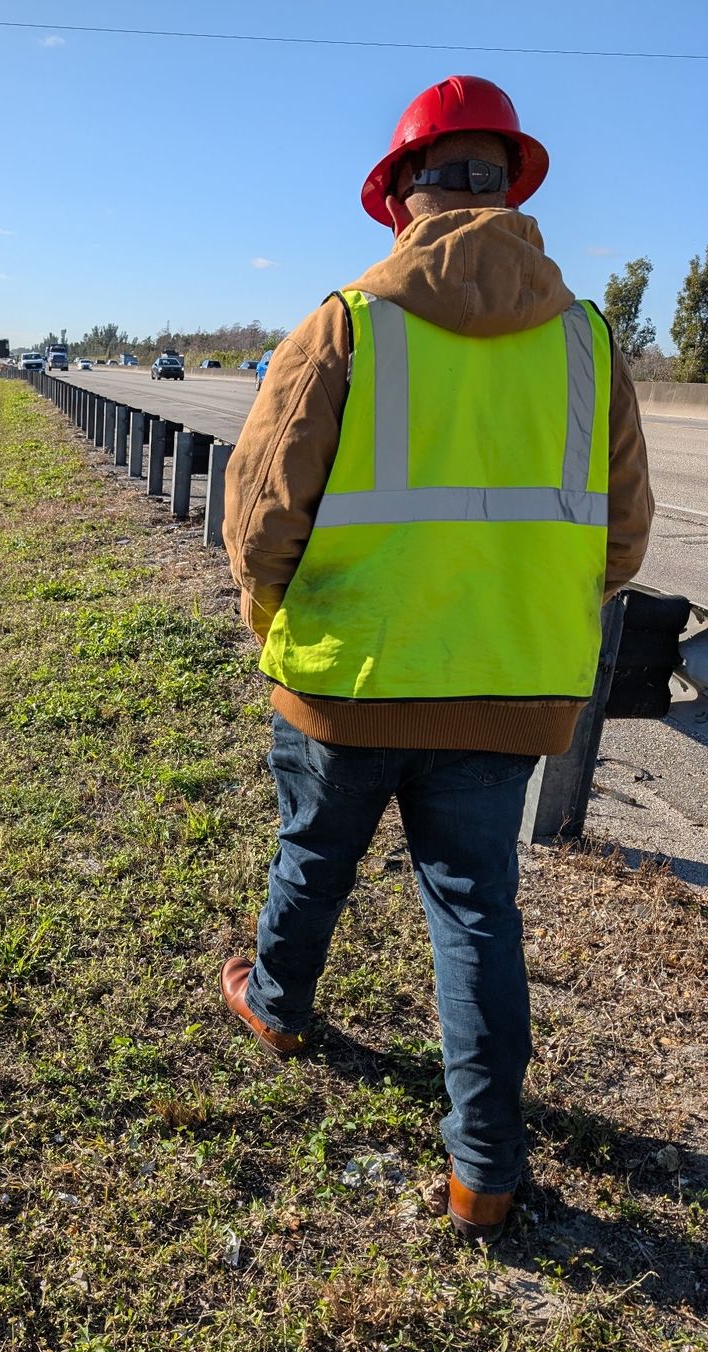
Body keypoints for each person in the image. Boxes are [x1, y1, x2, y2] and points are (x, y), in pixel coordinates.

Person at [221, 76, 652, 1242]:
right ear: (510, 186)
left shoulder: (345, 323)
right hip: (508, 691)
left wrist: (272, 622)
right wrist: (517, 615)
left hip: (348, 678)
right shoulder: (588, 340)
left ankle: (281, 1007)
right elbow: (622, 537)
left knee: (315, 853)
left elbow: (263, 517)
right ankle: (485, 1172)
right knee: (475, 912)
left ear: (400, 195)